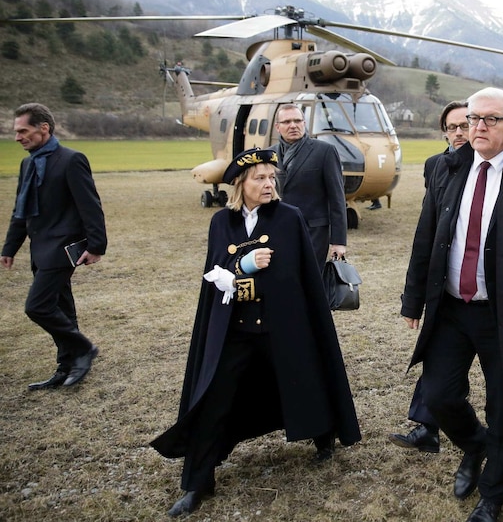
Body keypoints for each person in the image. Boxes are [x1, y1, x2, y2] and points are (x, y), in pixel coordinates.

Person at [151, 148, 361, 517]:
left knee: (304, 380)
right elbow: (215, 272)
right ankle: (198, 481)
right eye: (258, 178)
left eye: (270, 177)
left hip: (283, 323)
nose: (268, 184)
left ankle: (324, 436)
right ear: (240, 184)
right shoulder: (221, 222)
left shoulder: (288, 217)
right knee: (213, 397)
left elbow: (300, 275)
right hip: (238, 328)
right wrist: (241, 264)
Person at [401, 87, 503, 522]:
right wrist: (413, 299)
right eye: (474, 117)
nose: (478, 126)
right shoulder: (444, 167)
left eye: (491, 119)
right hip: (452, 309)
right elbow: (426, 236)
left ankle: (493, 495)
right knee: (438, 397)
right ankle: (475, 445)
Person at [2, 103, 107, 390]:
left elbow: (90, 206)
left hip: (62, 248)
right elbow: (20, 211)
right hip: (40, 248)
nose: (18, 136)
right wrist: (10, 248)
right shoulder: (28, 163)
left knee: (37, 307)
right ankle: (66, 366)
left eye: (23, 130)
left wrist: (97, 246)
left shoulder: (71, 160)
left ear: (44, 128)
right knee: (62, 307)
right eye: (16, 131)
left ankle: (84, 349)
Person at [389, 99, 468, 454]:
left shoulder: (493, 168)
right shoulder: (436, 165)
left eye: (466, 125)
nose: (460, 133)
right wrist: (413, 299)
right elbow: (427, 233)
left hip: (482, 289)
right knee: (439, 358)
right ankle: (427, 428)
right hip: (445, 285)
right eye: (453, 127)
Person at [271, 103, 347, 270]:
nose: (293, 125)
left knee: (311, 282)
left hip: (314, 233)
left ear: (304, 123)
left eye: (298, 120)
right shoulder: (270, 155)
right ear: (278, 127)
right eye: (287, 122)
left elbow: (337, 198)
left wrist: (338, 241)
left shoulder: (324, 151)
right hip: (279, 232)